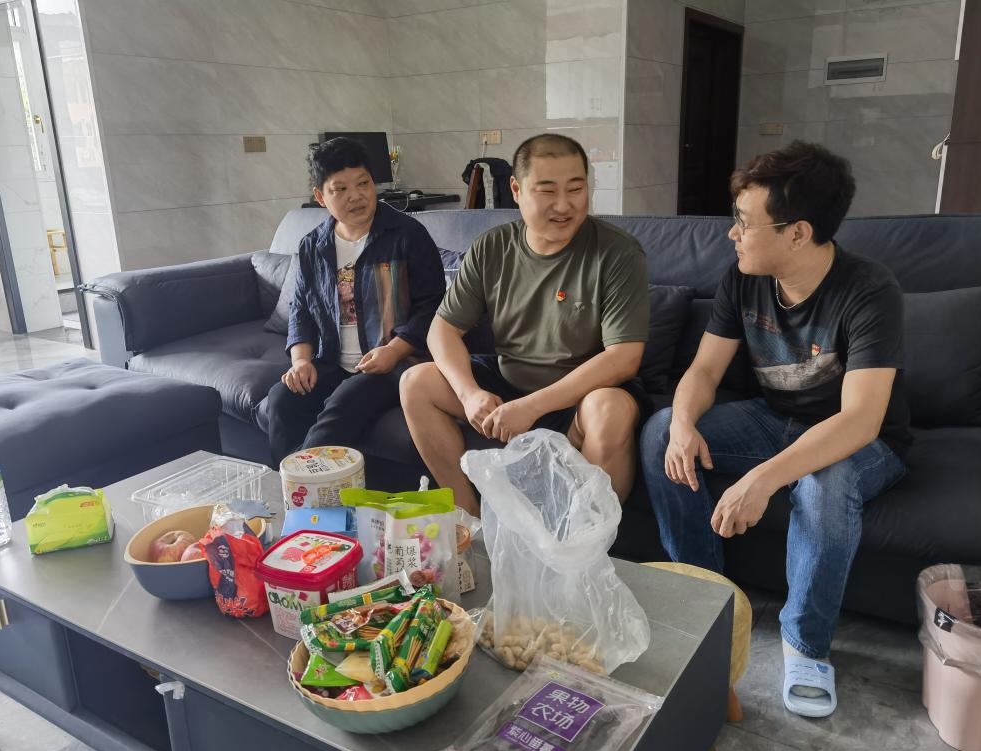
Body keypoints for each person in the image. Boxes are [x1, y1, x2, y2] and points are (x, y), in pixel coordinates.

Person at [640, 141, 911, 718]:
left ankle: (805, 645)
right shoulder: (744, 278)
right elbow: (704, 371)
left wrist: (761, 480)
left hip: (863, 440)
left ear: (797, 233)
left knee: (824, 480)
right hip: (775, 421)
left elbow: (860, 419)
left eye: (745, 222)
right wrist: (683, 423)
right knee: (661, 429)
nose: (732, 234)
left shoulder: (869, 290)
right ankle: (705, 595)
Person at [399, 133, 650, 517]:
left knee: (610, 409)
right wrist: (470, 394)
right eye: (547, 191)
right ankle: (469, 521)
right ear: (516, 190)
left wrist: (531, 408)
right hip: (508, 386)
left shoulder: (617, 251)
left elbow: (624, 357)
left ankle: (589, 539)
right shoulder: (492, 247)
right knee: (416, 382)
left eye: (576, 189)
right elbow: (442, 330)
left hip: (581, 396)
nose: (564, 205)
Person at [265, 137, 445, 464]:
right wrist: (301, 361)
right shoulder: (312, 246)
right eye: (341, 189)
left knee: (343, 404)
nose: (356, 195)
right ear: (320, 197)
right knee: (280, 401)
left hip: (395, 365)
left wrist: (394, 350)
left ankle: (302, 484)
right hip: (332, 363)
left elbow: (432, 307)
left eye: (363, 183)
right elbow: (301, 309)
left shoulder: (407, 235)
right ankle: (298, 484)